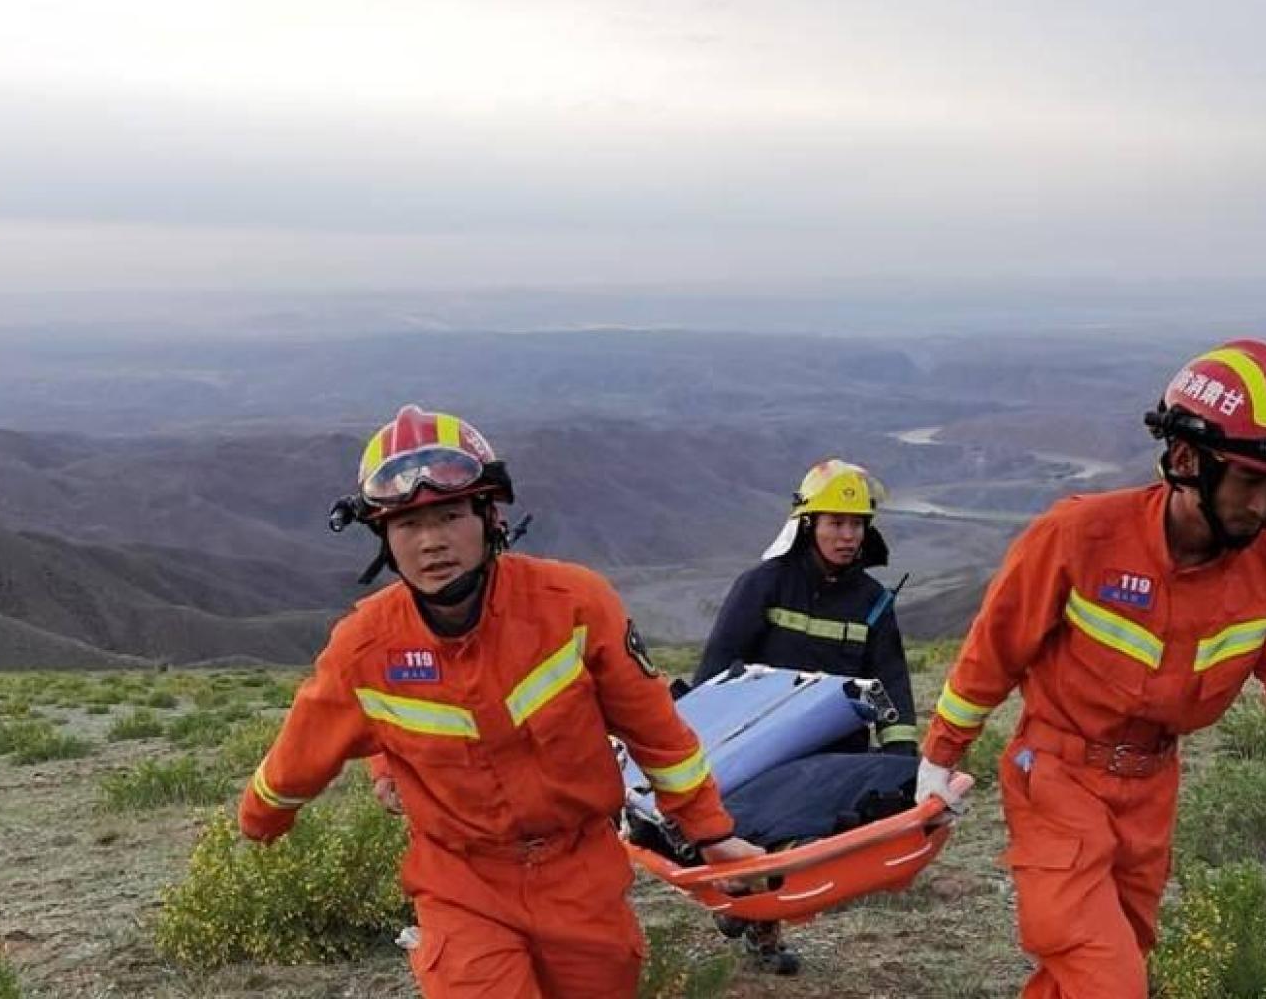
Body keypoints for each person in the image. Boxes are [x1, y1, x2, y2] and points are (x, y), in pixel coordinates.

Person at [914, 339, 1266, 999]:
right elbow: (994, 649)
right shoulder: (1078, 538)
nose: (1263, 506)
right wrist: (940, 756)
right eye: (1250, 482)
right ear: (1185, 460)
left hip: (1151, 792)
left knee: (1100, 968)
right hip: (1055, 779)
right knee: (1107, 978)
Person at [239, 404, 762, 998]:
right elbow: (300, 755)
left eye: (451, 514)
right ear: (383, 537)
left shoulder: (575, 605)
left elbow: (655, 731)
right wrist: (259, 822)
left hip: (581, 874)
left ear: (490, 515)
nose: (432, 541)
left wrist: (711, 833)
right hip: (461, 882)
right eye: (408, 525)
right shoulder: (363, 650)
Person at [690, 457, 917, 974]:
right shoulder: (764, 584)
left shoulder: (874, 603)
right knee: (757, 836)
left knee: (800, 844)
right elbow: (716, 669)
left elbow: (893, 684)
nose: (847, 536)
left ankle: (753, 914)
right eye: (836, 522)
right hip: (759, 742)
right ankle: (755, 922)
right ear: (809, 524)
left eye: (857, 524)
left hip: (833, 752)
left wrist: (902, 760)